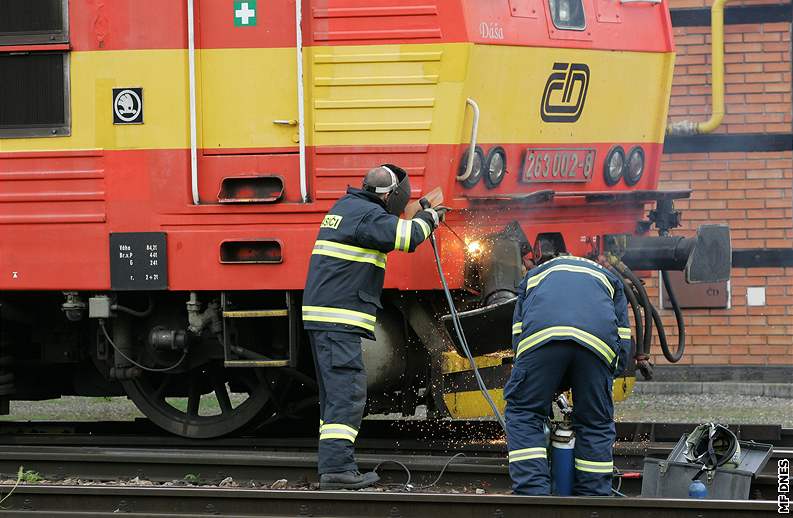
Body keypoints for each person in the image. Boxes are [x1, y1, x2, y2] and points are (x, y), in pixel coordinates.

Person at [302, 164, 442, 490]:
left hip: (328, 318)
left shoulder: (347, 208)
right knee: (347, 395)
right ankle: (337, 471)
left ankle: (337, 465)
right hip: (338, 318)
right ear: (390, 195)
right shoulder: (367, 215)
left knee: (336, 396)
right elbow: (407, 238)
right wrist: (432, 217)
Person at [504, 249, 632, 496]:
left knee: (524, 412)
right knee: (596, 422)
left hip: (542, 340)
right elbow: (623, 338)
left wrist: (541, 380)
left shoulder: (536, 276)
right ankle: (593, 498)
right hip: (597, 346)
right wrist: (607, 376)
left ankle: (533, 495)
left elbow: (519, 336)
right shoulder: (607, 277)